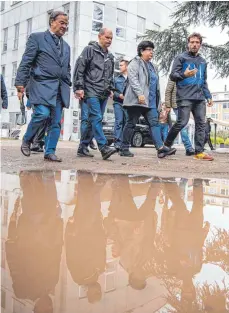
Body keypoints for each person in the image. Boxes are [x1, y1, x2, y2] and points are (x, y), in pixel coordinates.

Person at [15, 11, 71, 162]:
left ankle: (50, 151)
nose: (65, 26)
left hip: (59, 88)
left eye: (66, 24)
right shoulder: (37, 38)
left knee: (56, 122)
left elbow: (67, 68)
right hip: (41, 84)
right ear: (52, 21)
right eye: (62, 22)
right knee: (42, 113)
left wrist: (69, 82)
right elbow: (26, 61)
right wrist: (20, 82)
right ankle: (27, 139)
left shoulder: (66, 46)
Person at [119, 41, 176, 158]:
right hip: (137, 101)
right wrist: (139, 94)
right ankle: (123, 148)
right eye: (149, 50)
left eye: (152, 50)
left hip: (151, 102)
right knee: (131, 123)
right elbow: (133, 79)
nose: (151, 52)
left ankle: (160, 149)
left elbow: (156, 87)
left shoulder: (153, 66)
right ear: (141, 51)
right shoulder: (135, 63)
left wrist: (159, 104)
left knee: (154, 124)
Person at [164, 32, 214, 161]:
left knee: (201, 124)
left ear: (200, 45)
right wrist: (185, 75)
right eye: (192, 42)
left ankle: (199, 152)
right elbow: (172, 76)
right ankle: (165, 146)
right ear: (188, 44)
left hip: (199, 98)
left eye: (197, 42)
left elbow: (204, 80)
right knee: (182, 122)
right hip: (185, 96)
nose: (194, 44)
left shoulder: (203, 61)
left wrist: (208, 95)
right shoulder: (181, 58)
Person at [74, 28, 117, 160]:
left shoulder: (110, 57)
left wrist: (110, 88)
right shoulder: (89, 50)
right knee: (96, 117)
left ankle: (82, 147)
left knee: (92, 121)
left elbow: (110, 74)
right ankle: (103, 147)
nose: (109, 40)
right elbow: (80, 68)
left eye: (111, 38)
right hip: (90, 89)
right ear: (99, 36)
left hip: (103, 92)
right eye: (107, 37)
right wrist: (79, 87)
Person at [165, 78, 195, 155]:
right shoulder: (175, 74)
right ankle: (188, 148)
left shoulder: (189, 76)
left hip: (186, 104)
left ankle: (167, 145)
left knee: (178, 125)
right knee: (182, 126)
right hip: (177, 104)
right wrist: (168, 105)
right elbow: (168, 90)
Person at [25, 81, 46, 153]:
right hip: (37, 103)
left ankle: (37, 143)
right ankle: (35, 143)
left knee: (41, 124)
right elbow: (31, 90)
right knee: (40, 124)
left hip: (40, 102)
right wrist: (29, 103)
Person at [113, 59, 128, 150]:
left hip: (128, 104)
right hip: (118, 103)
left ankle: (124, 143)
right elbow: (112, 92)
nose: (119, 67)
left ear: (127, 66)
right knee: (119, 122)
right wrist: (119, 95)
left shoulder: (132, 79)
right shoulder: (116, 79)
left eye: (121, 65)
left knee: (127, 123)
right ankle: (117, 143)